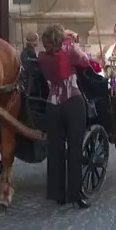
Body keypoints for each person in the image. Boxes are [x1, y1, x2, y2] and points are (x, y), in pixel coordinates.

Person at [36, 25, 90, 209]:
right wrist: (73, 39)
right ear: (62, 39)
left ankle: (57, 193)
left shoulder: (41, 57)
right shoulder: (70, 52)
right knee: (75, 149)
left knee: (55, 149)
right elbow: (85, 61)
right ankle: (75, 194)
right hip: (73, 102)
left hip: (52, 105)